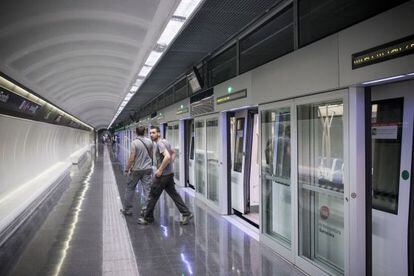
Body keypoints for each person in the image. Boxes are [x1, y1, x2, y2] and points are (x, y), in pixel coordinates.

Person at [138, 126, 193, 225]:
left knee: (152, 196)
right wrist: (169, 165)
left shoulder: (159, 143)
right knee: (174, 194)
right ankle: (186, 213)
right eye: (150, 133)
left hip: (162, 176)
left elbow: (167, 156)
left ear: (158, 133)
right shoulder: (165, 141)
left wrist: (160, 169)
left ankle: (148, 218)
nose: (151, 135)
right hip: (169, 175)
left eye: (153, 133)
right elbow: (173, 153)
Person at [120, 126, 153, 216]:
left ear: (136, 132)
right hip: (147, 169)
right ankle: (145, 210)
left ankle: (127, 209)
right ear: (145, 132)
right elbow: (151, 155)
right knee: (147, 190)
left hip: (136, 170)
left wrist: (127, 169)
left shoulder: (134, 143)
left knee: (130, 188)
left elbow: (132, 157)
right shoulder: (150, 141)